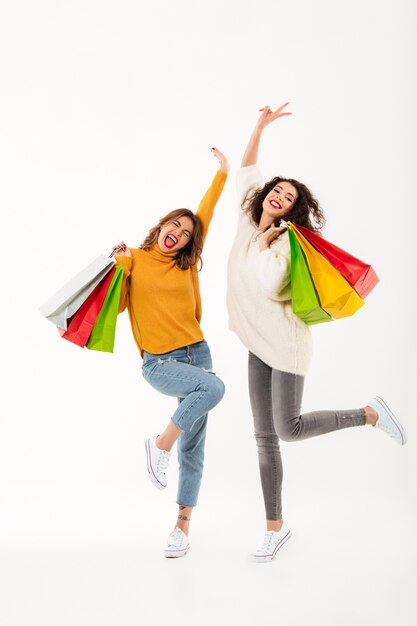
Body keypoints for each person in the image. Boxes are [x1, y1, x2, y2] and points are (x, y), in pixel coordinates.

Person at [226, 104, 407, 563]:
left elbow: (270, 284)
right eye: (277, 190)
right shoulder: (248, 219)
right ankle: (275, 527)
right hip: (255, 343)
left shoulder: (286, 242)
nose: (279, 197)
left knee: (288, 429)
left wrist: (268, 241)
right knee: (263, 438)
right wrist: (260, 126)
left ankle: (368, 414)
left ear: (293, 210)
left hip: (285, 346)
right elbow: (247, 168)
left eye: (288, 197)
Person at [114, 147, 229, 558]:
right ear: (160, 224)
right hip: (159, 362)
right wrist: (119, 264)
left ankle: (181, 527)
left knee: (194, 447)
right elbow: (116, 305)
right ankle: (159, 446)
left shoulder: (187, 261)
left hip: (198, 354)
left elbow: (206, 212)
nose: (177, 233)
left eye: (184, 232)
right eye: (173, 225)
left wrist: (223, 173)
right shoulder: (134, 259)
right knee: (214, 392)